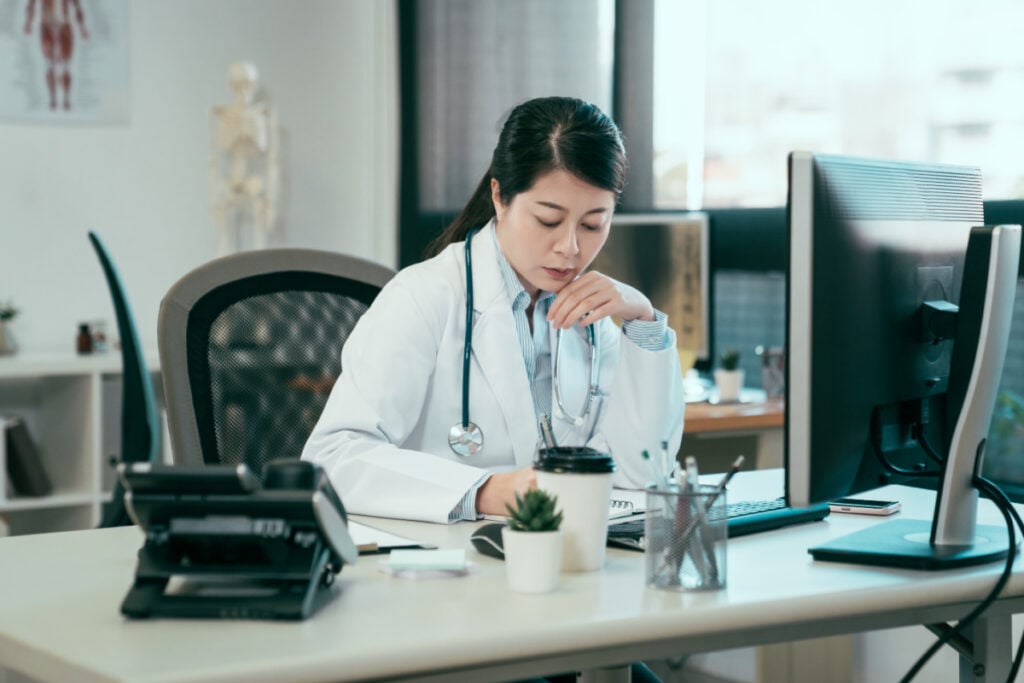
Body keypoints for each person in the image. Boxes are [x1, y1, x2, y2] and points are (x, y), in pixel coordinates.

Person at [302, 95, 685, 526]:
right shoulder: (425, 296)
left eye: (594, 224)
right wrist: (487, 491)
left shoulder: (594, 324)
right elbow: (334, 458)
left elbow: (645, 474)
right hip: (441, 566)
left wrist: (643, 321)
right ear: (499, 197)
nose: (571, 248)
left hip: (558, 562)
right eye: (548, 220)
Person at [209, 61, 278, 255]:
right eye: (237, 85)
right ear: (231, 86)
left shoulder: (263, 115)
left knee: (258, 228)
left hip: (254, 183)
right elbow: (214, 159)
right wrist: (216, 193)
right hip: (231, 182)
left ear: (253, 87)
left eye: (247, 85)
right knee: (225, 236)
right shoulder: (221, 115)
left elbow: (272, 161)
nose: (242, 91)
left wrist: (270, 196)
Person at [23, 0, 88, 111]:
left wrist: (82, 28)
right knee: (49, 64)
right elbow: (31, 4)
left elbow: (77, 5)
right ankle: (52, 99)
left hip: (64, 25)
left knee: (66, 64)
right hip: (47, 26)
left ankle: (66, 99)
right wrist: (28, 23)